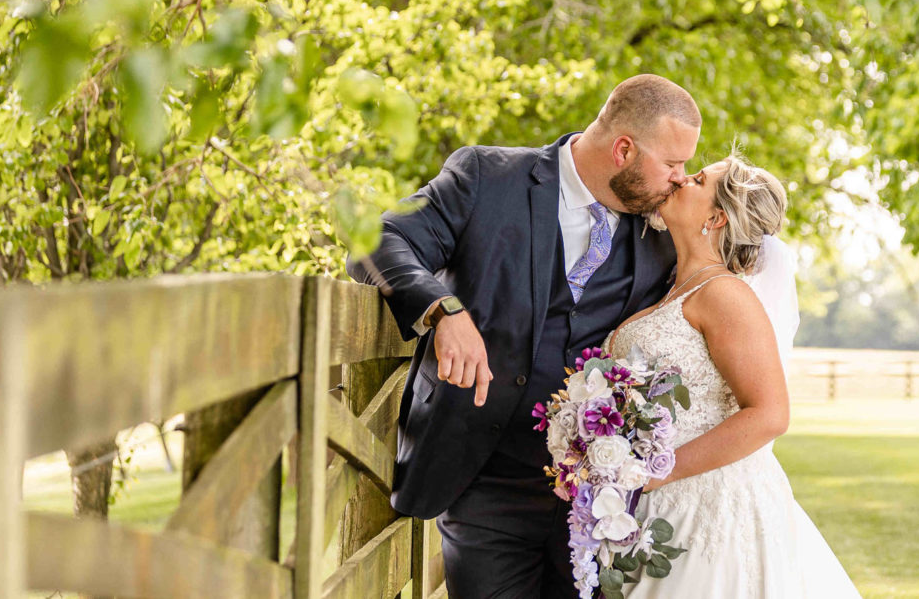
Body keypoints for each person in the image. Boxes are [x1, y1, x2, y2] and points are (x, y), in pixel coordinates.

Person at [349, 74, 701, 598]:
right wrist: (443, 311)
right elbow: (377, 242)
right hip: (483, 480)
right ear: (624, 150)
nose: (681, 179)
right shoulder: (486, 177)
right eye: (672, 164)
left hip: (596, 499)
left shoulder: (663, 230)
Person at [604, 155, 861, 598]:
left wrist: (656, 472)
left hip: (707, 506)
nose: (682, 178)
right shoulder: (675, 290)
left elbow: (769, 414)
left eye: (699, 180)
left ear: (716, 217)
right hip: (654, 505)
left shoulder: (725, 295)